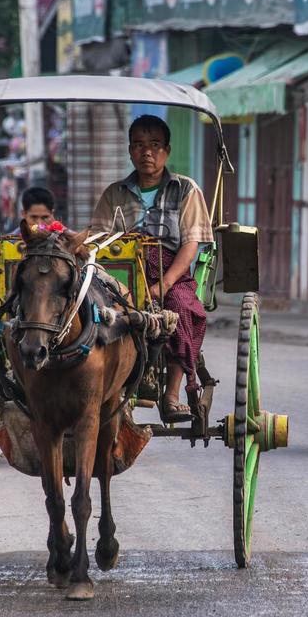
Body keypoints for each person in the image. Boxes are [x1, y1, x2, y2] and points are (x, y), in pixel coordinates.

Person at [90, 115, 213, 422]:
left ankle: (170, 394)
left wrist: (164, 284)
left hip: (170, 272)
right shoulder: (114, 193)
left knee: (180, 308)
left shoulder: (185, 189)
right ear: (130, 151)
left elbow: (191, 244)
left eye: (155, 145)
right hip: (119, 274)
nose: (147, 152)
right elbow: (98, 242)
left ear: (167, 151)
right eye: (140, 145)